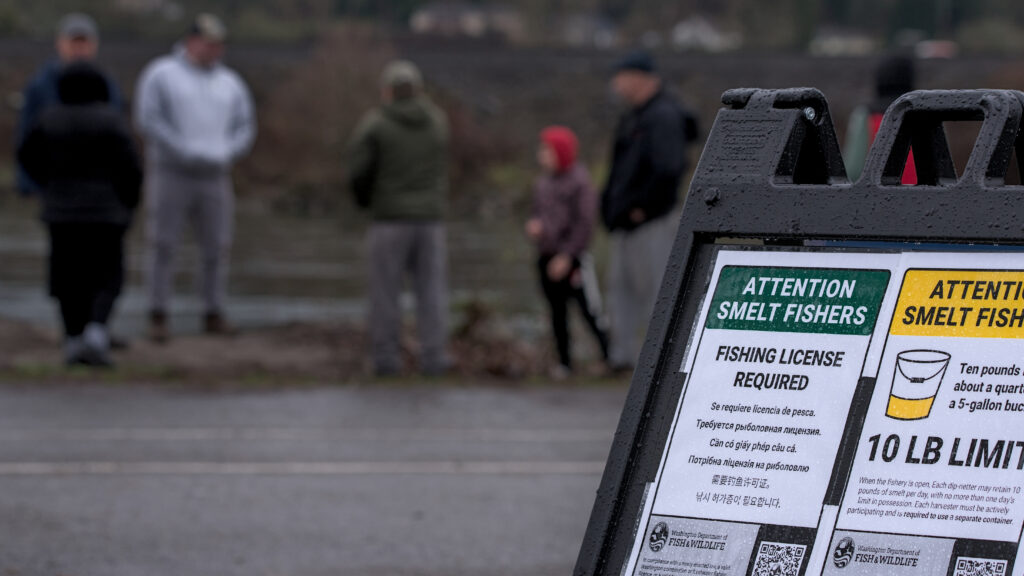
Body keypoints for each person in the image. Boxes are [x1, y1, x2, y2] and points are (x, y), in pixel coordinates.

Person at [134, 13, 256, 343]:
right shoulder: (162, 74)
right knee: (163, 243)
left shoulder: (230, 82)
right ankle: (158, 314)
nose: (214, 50)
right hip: (172, 172)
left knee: (217, 245)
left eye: (219, 45)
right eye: (209, 43)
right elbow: (149, 119)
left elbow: (245, 125)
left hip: (215, 175)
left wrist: (229, 151)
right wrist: (182, 150)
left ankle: (213, 311)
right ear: (191, 42)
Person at [17, 62, 142, 367]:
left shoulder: (48, 119)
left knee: (66, 278)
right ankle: (96, 333)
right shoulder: (111, 121)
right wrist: (128, 204)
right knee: (107, 276)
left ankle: (73, 339)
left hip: (61, 214)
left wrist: (47, 185)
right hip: (106, 215)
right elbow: (132, 169)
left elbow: (25, 155)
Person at [347, 60, 450, 376]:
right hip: (430, 220)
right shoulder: (437, 121)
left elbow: (358, 171)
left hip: (390, 219)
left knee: (385, 293)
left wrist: (365, 202)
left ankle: (385, 361)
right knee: (431, 292)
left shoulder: (375, 124)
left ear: (388, 91)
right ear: (417, 90)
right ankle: (433, 359)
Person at [601, 50, 697, 373]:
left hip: (652, 221)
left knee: (657, 292)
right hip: (626, 222)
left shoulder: (663, 116)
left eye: (621, 75)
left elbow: (669, 169)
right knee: (622, 291)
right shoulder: (635, 116)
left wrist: (644, 207)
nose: (615, 83)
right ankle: (622, 358)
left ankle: (662, 363)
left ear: (639, 77)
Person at [525, 126, 609, 379]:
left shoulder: (580, 182)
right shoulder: (542, 183)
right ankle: (564, 363)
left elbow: (585, 224)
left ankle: (609, 357)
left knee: (589, 310)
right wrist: (534, 227)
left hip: (573, 260)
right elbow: (538, 214)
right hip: (546, 257)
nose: (541, 155)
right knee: (556, 312)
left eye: (546, 150)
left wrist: (567, 255)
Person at [16, 12, 122, 198]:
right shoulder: (40, 84)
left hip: (96, 183)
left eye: (84, 43)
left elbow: (117, 136)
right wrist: (27, 182)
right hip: (54, 181)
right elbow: (26, 133)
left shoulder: (107, 84)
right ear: (60, 43)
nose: (79, 49)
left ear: (94, 45)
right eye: (74, 42)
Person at [844, 54, 917, 183]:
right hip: (922, 199)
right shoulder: (924, 116)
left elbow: (853, 170)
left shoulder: (865, 115)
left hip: (877, 200)